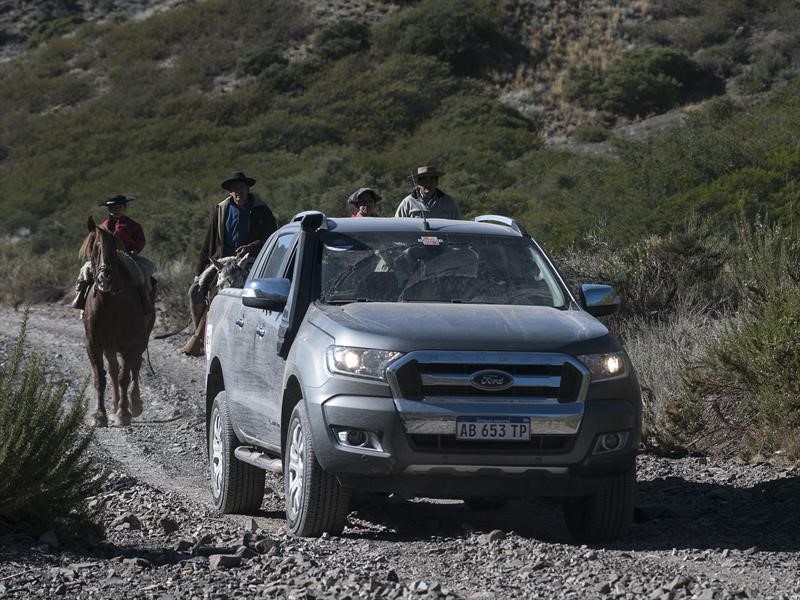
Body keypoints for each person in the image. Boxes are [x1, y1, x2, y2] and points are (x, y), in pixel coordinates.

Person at [182, 171, 278, 355]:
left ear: (248, 188)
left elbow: (271, 236)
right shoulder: (222, 209)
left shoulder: (261, 209)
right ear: (231, 192)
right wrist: (199, 269)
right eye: (234, 189)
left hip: (252, 259)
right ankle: (199, 335)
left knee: (260, 295)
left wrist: (250, 246)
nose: (238, 192)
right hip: (223, 261)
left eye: (241, 188)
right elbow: (209, 240)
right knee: (195, 291)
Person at [71, 194, 156, 311]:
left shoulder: (133, 225)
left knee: (141, 272)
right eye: (113, 208)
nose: (116, 210)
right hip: (106, 256)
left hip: (126, 255)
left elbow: (141, 240)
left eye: (119, 207)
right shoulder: (103, 226)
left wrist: (135, 250)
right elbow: (95, 242)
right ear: (109, 210)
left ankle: (144, 298)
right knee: (85, 269)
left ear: (124, 208)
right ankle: (81, 297)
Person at [395, 165, 461, 219]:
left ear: (437, 182)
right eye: (424, 179)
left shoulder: (449, 203)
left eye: (431, 179)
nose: (428, 183)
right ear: (419, 183)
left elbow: (458, 227)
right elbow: (397, 226)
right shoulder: (407, 203)